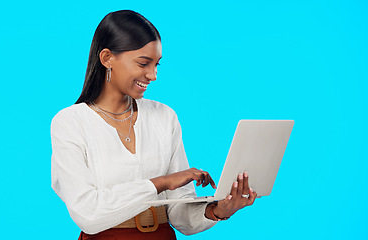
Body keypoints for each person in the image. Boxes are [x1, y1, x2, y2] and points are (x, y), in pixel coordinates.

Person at [51, 10, 257, 240]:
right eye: (143, 63)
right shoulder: (70, 122)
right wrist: (162, 183)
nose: (153, 75)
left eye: (157, 64)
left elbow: (179, 215)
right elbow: (87, 214)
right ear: (107, 58)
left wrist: (219, 210)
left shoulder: (164, 117)